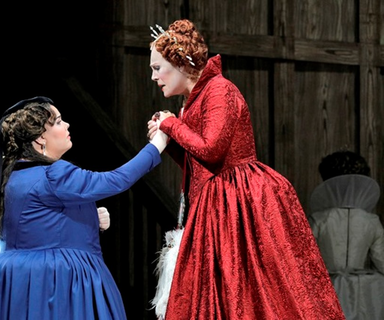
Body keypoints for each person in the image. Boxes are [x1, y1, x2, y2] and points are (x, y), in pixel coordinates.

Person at [146, 19, 345, 320]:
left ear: (179, 63)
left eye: (157, 68)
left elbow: (212, 150)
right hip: (212, 204)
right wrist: (170, 139)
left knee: (251, 289)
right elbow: (200, 162)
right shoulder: (193, 100)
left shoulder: (219, 90)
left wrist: (171, 124)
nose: (153, 76)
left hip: (239, 202)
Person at [0, 96, 168, 320]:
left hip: (13, 282)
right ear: (41, 138)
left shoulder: (10, 176)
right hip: (51, 282)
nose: (67, 125)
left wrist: (89, 216)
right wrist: (159, 143)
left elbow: (34, 225)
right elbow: (115, 180)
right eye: (59, 121)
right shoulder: (53, 174)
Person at [308, 150, 384, 320]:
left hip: (325, 286)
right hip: (364, 291)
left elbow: (305, 260)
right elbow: (382, 260)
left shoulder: (319, 219)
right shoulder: (370, 220)